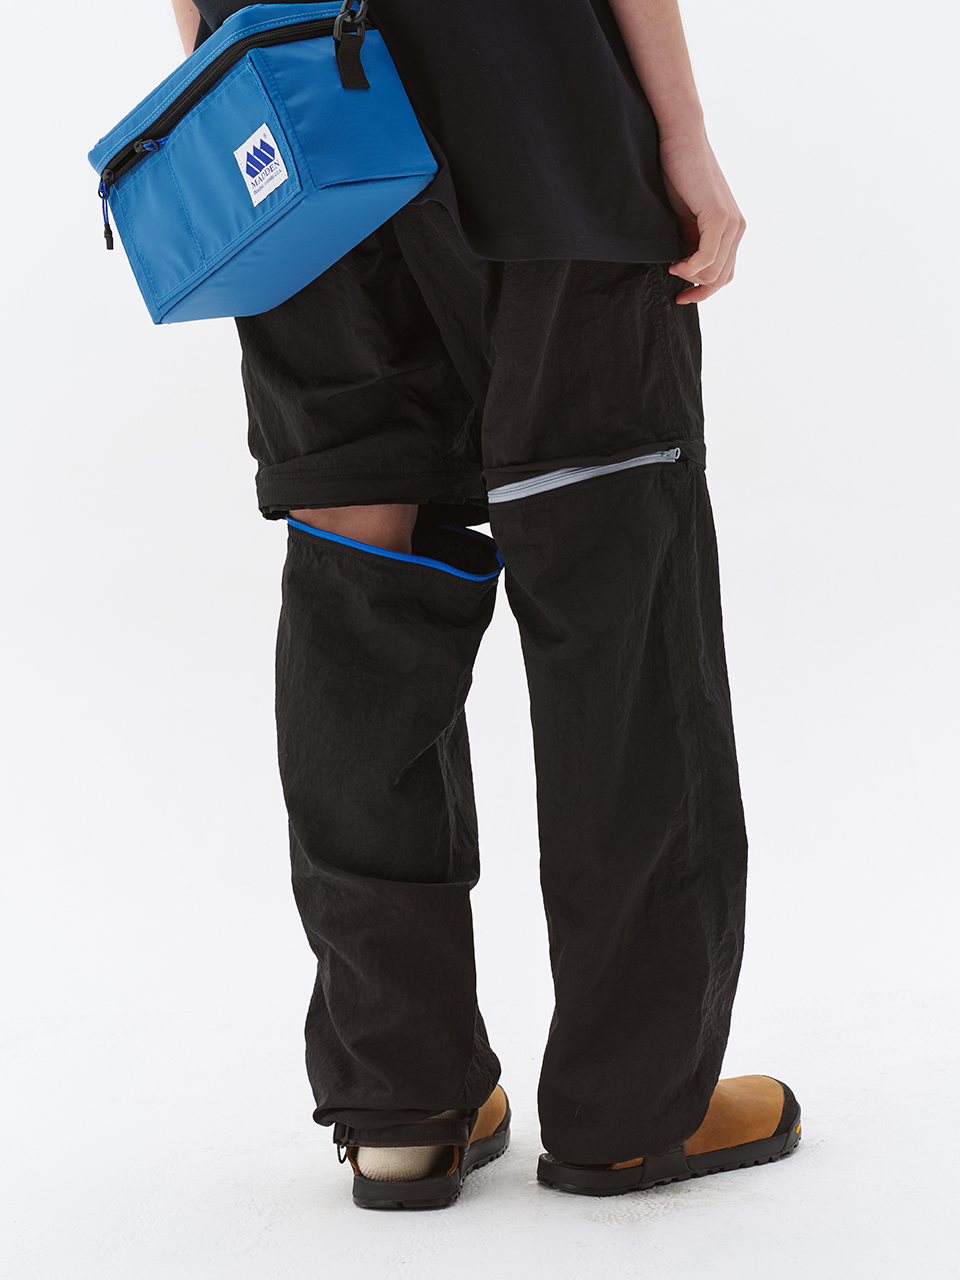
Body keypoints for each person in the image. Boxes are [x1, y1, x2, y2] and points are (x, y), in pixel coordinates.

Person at [170, 0, 801, 1208]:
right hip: (534, 110)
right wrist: (681, 131)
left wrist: (226, 76)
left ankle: (400, 1103)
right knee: (615, 578)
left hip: (286, 107)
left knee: (358, 575)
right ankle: (634, 1107)